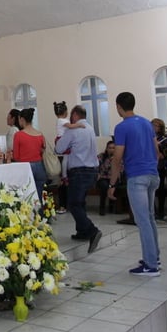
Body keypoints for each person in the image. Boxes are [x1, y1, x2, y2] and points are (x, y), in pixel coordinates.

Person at [108, 92, 161, 276]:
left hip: (137, 177)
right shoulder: (147, 123)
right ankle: (154, 256)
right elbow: (156, 149)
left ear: (118, 106)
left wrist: (112, 184)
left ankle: (150, 265)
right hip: (153, 174)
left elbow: (117, 158)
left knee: (143, 220)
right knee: (150, 217)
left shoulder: (122, 127)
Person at [56, 105, 102, 253]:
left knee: (74, 204)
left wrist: (59, 139)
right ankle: (82, 232)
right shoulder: (90, 128)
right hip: (92, 170)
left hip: (79, 171)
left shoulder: (73, 129)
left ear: (75, 115)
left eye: (71, 115)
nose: (70, 118)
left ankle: (92, 231)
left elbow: (59, 149)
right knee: (80, 201)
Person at [12, 108, 47, 205]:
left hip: (26, 167)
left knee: (27, 197)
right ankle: (40, 217)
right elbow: (43, 150)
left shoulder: (18, 135)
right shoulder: (40, 134)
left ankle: (29, 218)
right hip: (40, 167)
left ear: (22, 119)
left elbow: (16, 156)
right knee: (39, 196)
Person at [151, 118, 167, 220]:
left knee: (160, 189)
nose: (154, 127)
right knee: (150, 190)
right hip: (149, 166)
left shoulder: (164, 139)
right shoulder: (147, 137)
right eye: (152, 125)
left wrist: (159, 147)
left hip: (160, 166)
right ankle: (153, 211)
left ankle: (161, 212)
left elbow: (165, 154)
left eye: (156, 126)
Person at [97, 140, 118, 216]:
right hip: (103, 178)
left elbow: (120, 170)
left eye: (113, 148)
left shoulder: (118, 158)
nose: (111, 150)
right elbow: (96, 166)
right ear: (106, 148)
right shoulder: (101, 156)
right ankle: (102, 207)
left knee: (113, 185)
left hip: (114, 178)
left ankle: (112, 206)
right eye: (110, 148)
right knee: (104, 186)